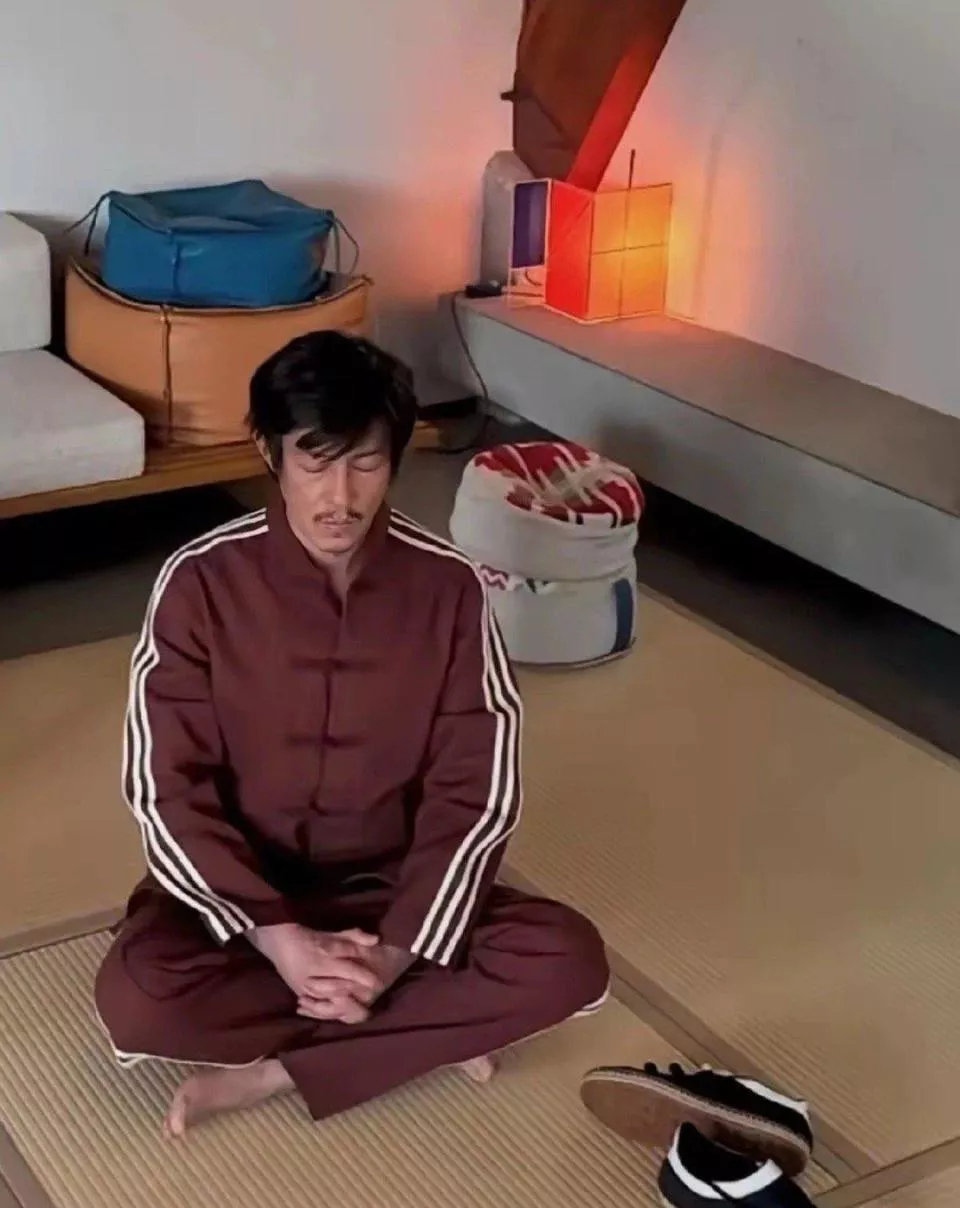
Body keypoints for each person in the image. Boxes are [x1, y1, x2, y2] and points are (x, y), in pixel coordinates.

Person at [95, 330, 610, 1139]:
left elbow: (476, 790)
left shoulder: (449, 587)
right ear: (269, 452)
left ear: (395, 460)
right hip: (246, 899)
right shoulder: (198, 581)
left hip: (393, 892)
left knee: (565, 958)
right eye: (316, 461)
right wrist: (282, 942)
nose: (340, 496)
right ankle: (420, 1033)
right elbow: (163, 787)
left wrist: (395, 953)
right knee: (140, 996)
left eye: (365, 462)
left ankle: (276, 1070)